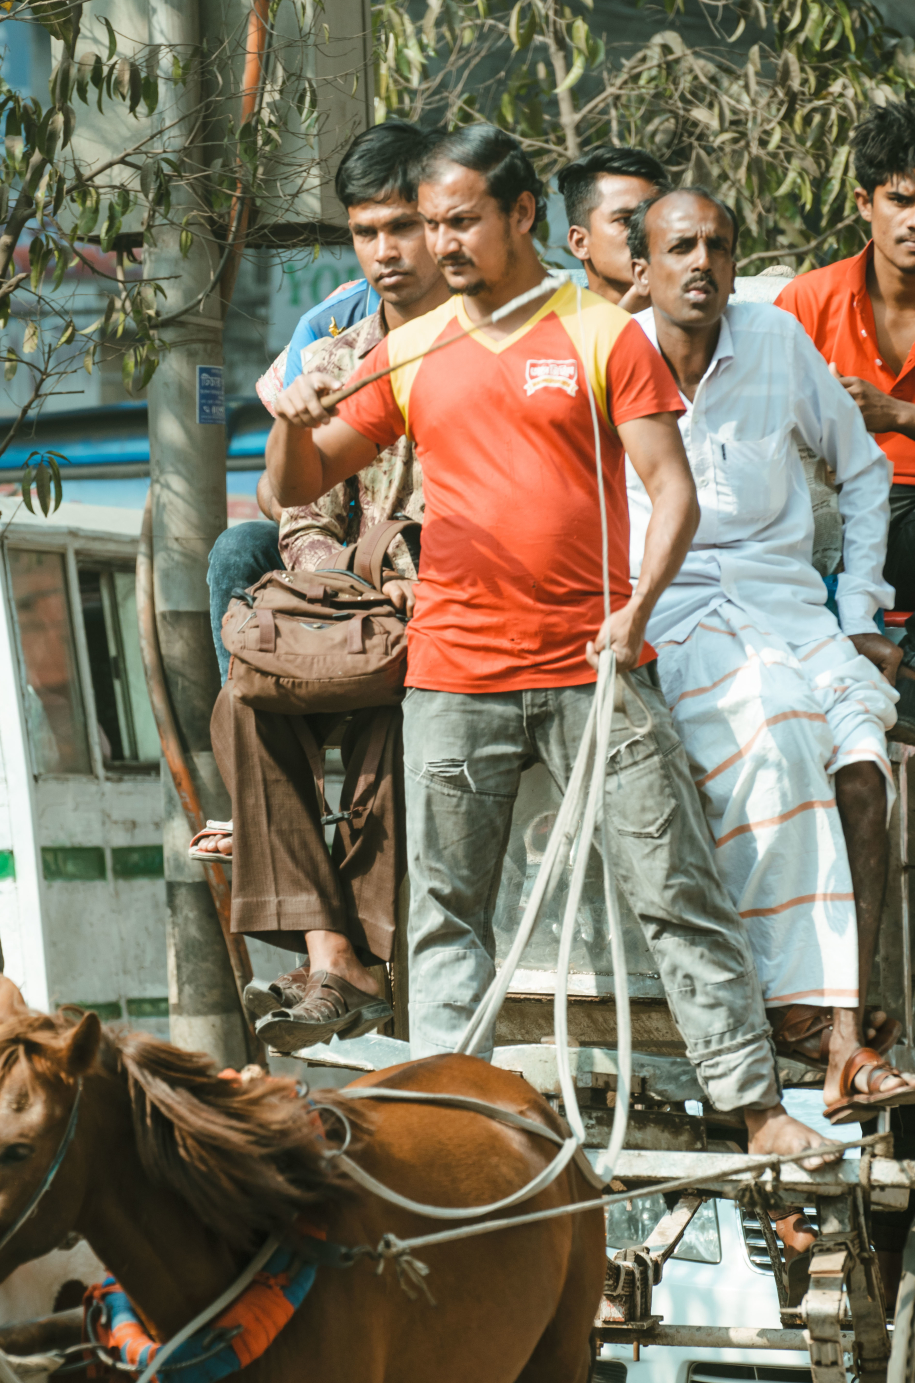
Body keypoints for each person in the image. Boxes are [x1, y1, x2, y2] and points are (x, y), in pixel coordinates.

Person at [266, 122, 831, 1167]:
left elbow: (674, 492)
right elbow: (289, 487)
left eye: (462, 221)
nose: (440, 245)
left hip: (593, 672)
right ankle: (439, 1130)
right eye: (430, 225)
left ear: (523, 216)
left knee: (678, 890)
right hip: (454, 676)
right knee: (444, 915)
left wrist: (637, 608)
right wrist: (289, 413)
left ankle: (757, 1108)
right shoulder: (411, 348)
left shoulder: (603, 333)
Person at [624, 185, 915, 1128]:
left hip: (791, 610)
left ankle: (846, 1034)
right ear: (643, 267)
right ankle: (806, 1020)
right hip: (675, 613)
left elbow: (867, 466)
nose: (701, 264)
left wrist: (859, 606)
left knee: (861, 767)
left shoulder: (773, 340)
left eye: (717, 245)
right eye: (679, 247)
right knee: (778, 731)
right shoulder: (612, 356)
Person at [204, 118, 449, 1045]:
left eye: (405, 227)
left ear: (450, 226)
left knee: (394, 692)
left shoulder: (490, 340)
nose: (387, 252)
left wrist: (404, 580)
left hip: (452, 598)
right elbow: (295, 500)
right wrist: (331, 587)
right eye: (367, 231)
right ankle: (328, 955)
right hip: (352, 582)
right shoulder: (335, 342)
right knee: (250, 683)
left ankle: (366, 957)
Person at [777, 96, 915, 748]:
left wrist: (895, 415)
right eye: (900, 200)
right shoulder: (805, 299)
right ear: (863, 203)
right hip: (826, 525)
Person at [556, 145, 671, 305]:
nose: (648, 232)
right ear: (580, 243)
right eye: (626, 220)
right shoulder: (554, 325)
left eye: (658, 219)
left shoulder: (703, 323)